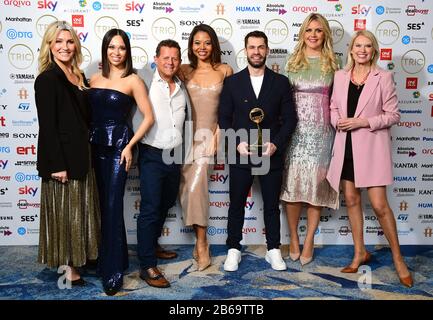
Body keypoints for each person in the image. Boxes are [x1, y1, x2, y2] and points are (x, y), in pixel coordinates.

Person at [326, 30, 413, 287]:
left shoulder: (383, 77)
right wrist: (337, 122)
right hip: (346, 147)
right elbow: (333, 107)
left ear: (373, 51)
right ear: (351, 50)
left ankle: (398, 259)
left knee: (379, 205)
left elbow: (393, 115)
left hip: (372, 148)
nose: (362, 50)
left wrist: (364, 122)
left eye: (367, 46)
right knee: (351, 199)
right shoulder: (340, 76)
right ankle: (359, 253)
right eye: (358, 46)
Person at [218, 31, 297, 272]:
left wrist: (276, 144)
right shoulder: (232, 82)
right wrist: (236, 143)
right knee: (236, 203)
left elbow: (290, 120)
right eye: (252, 47)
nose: (256, 51)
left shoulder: (281, 82)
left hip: (270, 154)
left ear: (267, 50)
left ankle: (273, 249)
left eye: (261, 47)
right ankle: (233, 249)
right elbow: (223, 118)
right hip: (241, 152)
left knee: (271, 204)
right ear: (245, 50)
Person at [88, 29, 154, 295]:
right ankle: (115, 259)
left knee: (114, 207)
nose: (117, 53)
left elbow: (148, 117)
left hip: (119, 148)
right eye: (112, 47)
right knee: (102, 206)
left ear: (127, 51)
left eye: (122, 48)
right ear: (105, 50)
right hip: (94, 146)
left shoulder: (133, 80)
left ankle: (113, 272)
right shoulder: (92, 79)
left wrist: (129, 146)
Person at [35, 21, 100, 286]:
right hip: (61, 159)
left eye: (69, 41)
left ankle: (77, 259)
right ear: (49, 46)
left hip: (83, 155)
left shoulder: (79, 76)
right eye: (58, 42)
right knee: (65, 214)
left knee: (80, 211)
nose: (65, 47)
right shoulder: (47, 79)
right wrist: (57, 165)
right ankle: (67, 268)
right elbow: (47, 126)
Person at [280, 13, 339, 266]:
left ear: (324, 34)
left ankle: (309, 239)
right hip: (295, 133)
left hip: (322, 134)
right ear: (302, 34)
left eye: (318, 30)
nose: (313, 35)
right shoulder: (291, 63)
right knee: (293, 188)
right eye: (308, 30)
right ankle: (293, 238)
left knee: (315, 189)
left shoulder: (334, 64)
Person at [133, 39, 191, 288]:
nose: (170, 62)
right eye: (165, 57)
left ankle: (152, 245)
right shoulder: (144, 81)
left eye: (175, 58)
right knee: (150, 207)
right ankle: (146, 265)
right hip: (151, 153)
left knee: (166, 202)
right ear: (155, 59)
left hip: (174, 155)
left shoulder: (181, 86)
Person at [178, 24, 233, 271]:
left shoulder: (224, 70)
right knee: (187, 190)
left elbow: (230, 107)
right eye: (197, 42)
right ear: (191, 46)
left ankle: (202, 243)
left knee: (197, 186)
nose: (202, 47)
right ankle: (199, 240)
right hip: (181, 139)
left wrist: (217, 135)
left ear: (214, 46)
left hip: (209, 138)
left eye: (207, 42)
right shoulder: (183, 71)